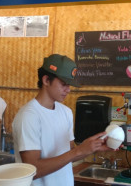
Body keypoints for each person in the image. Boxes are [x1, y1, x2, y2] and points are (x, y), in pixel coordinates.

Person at [12, 54, 113, 186]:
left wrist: (92, 147)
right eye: (64, 84)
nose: (68, 90)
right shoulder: (29, 116)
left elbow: (69, 155)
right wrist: (79, 150)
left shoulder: (66, 112)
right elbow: (32, 170)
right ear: (46, 80)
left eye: (69, 85)